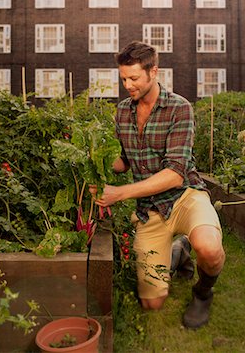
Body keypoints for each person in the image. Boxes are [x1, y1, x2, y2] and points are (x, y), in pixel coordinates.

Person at [89, 41, 225, 329]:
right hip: (149, 209)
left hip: (185, 195)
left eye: (134, 78)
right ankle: (178, 251)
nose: (127, 84)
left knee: (209, 249)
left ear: (154, 72)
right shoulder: (123, 112)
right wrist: (92, 160)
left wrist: (120, 193)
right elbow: (123, 161)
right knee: (152, 303)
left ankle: (202, 292)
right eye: (123, 78)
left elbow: (175, 173)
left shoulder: (179, 108)